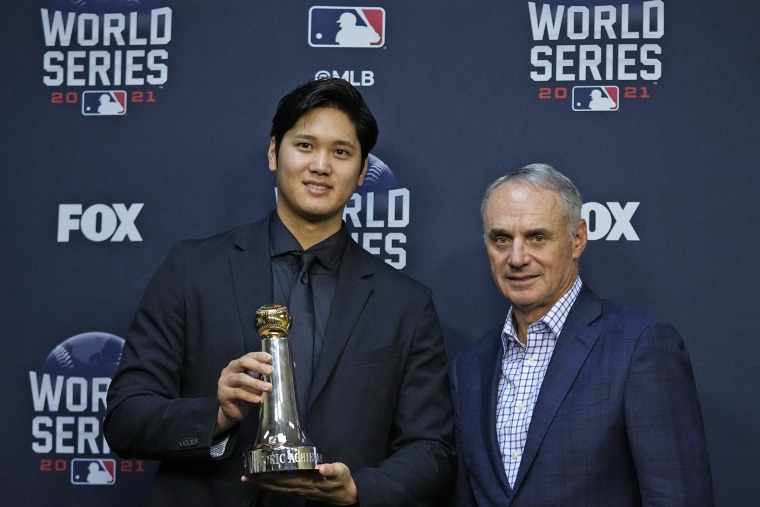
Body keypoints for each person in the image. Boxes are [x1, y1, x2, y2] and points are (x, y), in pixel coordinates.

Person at [104, 77, 454, 506]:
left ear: (363, 172)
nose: (321, 165)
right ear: (274, 152)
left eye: (341, 152)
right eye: (305, 145)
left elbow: (432, 449)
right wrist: (216, 414)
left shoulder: (406, 304)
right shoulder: (192, 270)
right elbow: (125, 418)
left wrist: (358, 491)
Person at [450, 163, 713, 506]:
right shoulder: (469, 368)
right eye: (501, 238)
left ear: (577, 239)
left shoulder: (639, 346)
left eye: (537, 237)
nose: (516, 258)